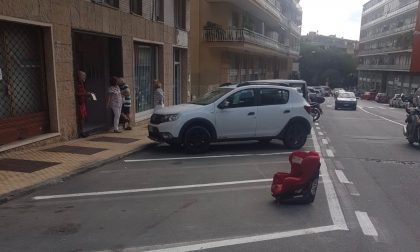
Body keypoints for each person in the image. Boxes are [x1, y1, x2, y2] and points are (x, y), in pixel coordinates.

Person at [76, 71, 91, 137]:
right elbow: (78, 93)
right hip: (80, 103)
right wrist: (86, 94)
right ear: (80, 76)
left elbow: (83, 92)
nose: (85, 77)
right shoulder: (78, 83)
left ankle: (83, 131)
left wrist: (87, 96)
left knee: (83, 117)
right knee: (81, 118)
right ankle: (81, 132)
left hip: (82, 102)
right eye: (83, 76)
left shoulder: (82, 83)